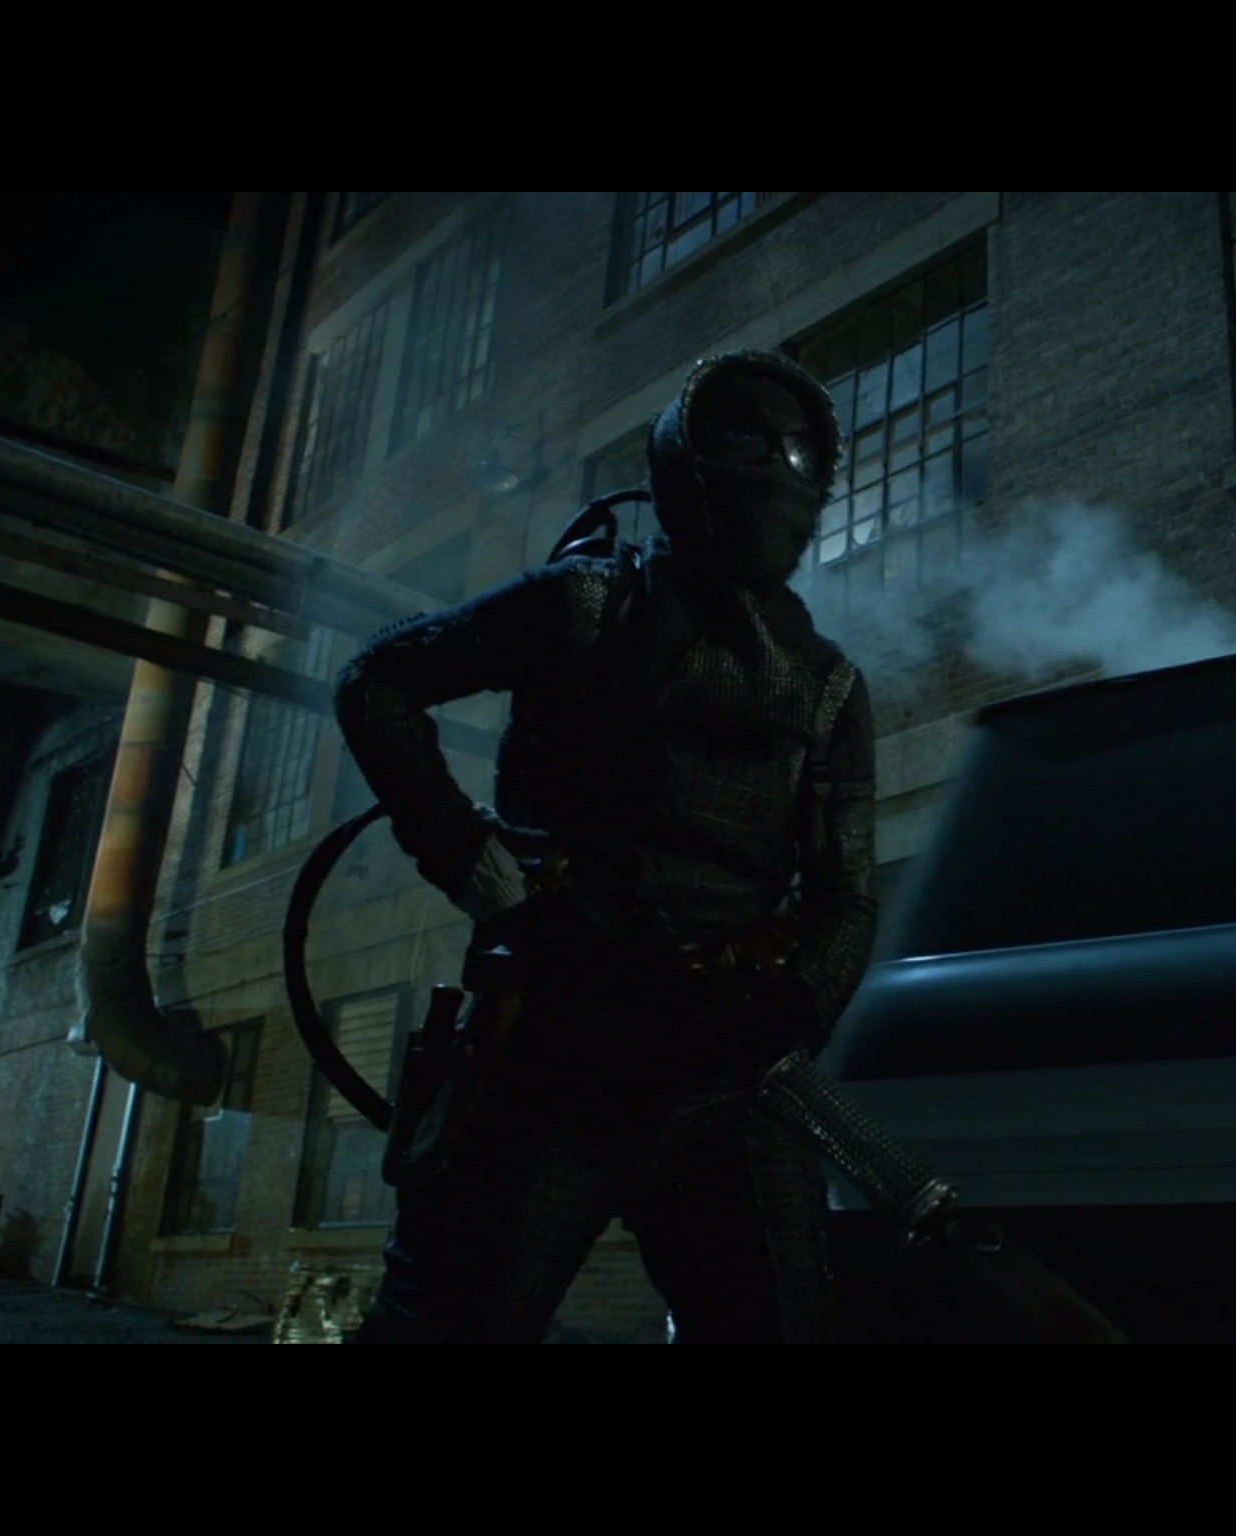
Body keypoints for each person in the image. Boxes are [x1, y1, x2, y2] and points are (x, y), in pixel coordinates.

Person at [334, 350, 875, 1344]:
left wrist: (794, 1007)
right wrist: (489, 876)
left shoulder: (829, 689)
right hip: (554, 1057)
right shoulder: (588, 605)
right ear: (690, 464)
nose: (775, 470)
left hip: (724, 1083)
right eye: (747, 441)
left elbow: (845, 901)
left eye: (796, 452)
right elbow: (377, 684)